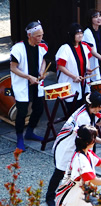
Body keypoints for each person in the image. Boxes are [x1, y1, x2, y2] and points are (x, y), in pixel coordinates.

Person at [45, 91, 101, 206]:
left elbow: (98, 122)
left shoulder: (89, 110)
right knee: (60, 172)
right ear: (91, 105)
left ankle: (86, 195)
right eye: (98, 107)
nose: (99, 110)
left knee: (86, 171)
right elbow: (89, 135)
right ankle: (50, 196)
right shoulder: (83, 117)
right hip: (68, 147)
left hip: (81, 145)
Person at [10, 21, 48, 151]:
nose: (40, 38)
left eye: (41, 35)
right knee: (22, 112)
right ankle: (19, 137)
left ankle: (30, 132)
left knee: (39, 109)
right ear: (29, 35)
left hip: (36, 83)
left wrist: (42, 71)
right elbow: (13, 68)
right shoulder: (18, 48)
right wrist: (28, 77)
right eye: (37, 36)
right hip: (22, 84)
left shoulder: (42, 46)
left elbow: (43, 60)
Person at [56, 23, 93, 112]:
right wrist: (74, 76)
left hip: (82, 81)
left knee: (84, 107)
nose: (80, 36)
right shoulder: (65, 48)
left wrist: (87, 68)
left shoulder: (83, 46)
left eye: (81, 33)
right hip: (70, 82)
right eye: (77, 34)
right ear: (72, 35)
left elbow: (87, 58)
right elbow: (60, 66)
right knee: (73, 109)